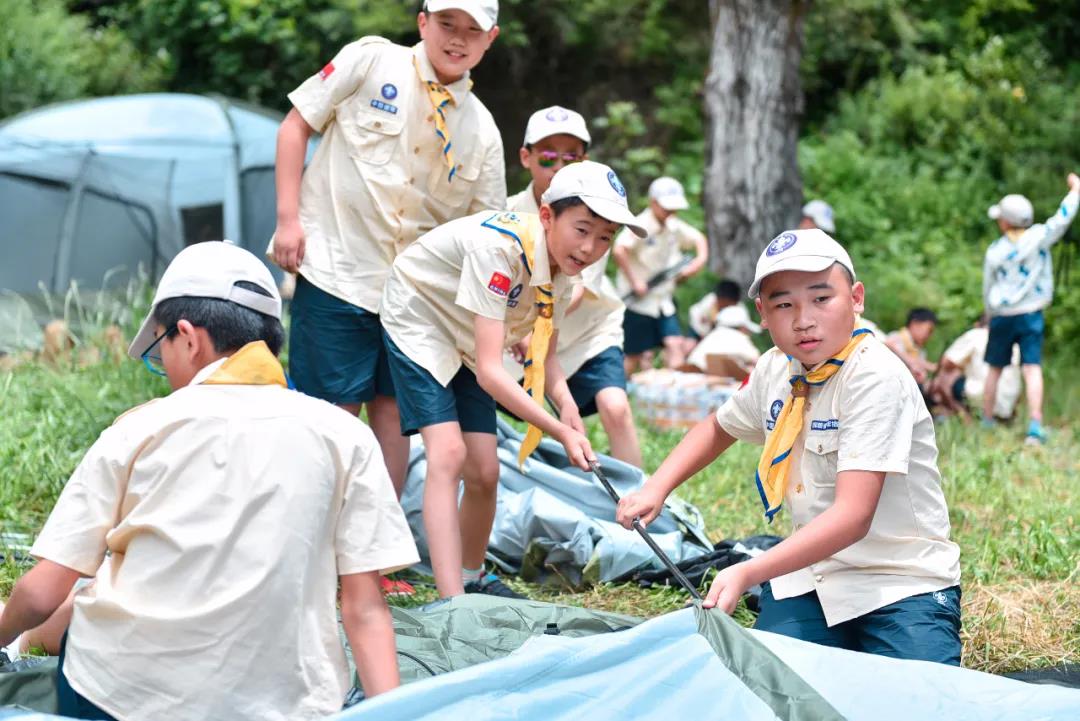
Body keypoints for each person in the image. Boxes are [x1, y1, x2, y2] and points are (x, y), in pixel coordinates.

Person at [0, 242, 419, 720]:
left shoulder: (140, 429)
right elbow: (365, 611)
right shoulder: (346, 435)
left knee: (97, 589)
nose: (164, 372)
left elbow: (41, 591)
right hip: (287, 705)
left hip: (121, 700)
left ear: (188, 337)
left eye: (160, 353)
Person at [617, 229, 962, 665]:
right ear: (762, 312)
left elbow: (853, 516)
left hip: (898, 581)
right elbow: (717, 427)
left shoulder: (875, 375)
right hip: (811, 577)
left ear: (856, 298)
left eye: (822, 299)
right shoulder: (775, 369)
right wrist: (656, 488)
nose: (803, 319)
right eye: (784, 304)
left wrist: (749, 570)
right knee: (771, 687)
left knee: (921, 701)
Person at [268, 2, 505, 522]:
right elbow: (294, 127)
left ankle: (373, 547)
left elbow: (487, 237)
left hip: (414, 300)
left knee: (395, 416)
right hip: (336, 269)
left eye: (472, 31)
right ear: (423, 23)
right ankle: (308, 537)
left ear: (491, 39)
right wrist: (289, 220)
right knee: (328, 413)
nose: (457, 39)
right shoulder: (370, 62)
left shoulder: (483, 131)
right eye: (447, 24)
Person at [380, 161, 647, 599]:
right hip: (421, 315)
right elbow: (490, 371)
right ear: (547, 216)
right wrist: (558, 430)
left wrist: (565, 406)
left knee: (485, 470)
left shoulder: (563, 273)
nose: (591, 248)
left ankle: (471, 575)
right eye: (582, 230)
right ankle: (453, 602)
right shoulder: (499, 252)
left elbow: (547, 354)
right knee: (446, 454)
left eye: (605, 238)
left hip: (470, 329)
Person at [506, 107, 642, 466]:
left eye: (572, 156)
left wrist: (526, 326)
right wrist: (516, 328)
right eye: (548, 155)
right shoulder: (508, 212)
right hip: (517, 340)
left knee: (615, 408)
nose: (559, 164)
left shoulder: (596, 214)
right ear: (526, 157)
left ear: (585, 160)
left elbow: (576, 291)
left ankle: (643, 495)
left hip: (585, 334)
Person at [982, 173, 1079, 444]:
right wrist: (1076, 190)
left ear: (1004, 222)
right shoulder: (1039, 238)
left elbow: (987, 286)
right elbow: (1063, 217)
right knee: (1031, 367)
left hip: (1002, 315)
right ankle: (1035, 424)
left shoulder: (995, 251)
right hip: (1031, 314)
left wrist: (989, 312)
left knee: (995, 368)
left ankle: (986, 420)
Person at [614, 176, 708, 374]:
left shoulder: (674, 225)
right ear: (654, 203)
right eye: (667, 208)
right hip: (638, 302)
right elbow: (619, 250)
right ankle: (618, 396)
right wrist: (635, 281)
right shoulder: (640, 224)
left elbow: (699, 239)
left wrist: (698, 264)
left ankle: (675, 395)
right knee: (632, 356)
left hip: (663, 300)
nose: (670, 212)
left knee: (675, 345)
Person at [931, 315, 1021, 422]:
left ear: (977, 325)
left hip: (982, 398)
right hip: (1008, 405)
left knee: (945, 375)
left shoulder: (976, 335)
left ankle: (964, 416)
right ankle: (1003, 417)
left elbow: (945, 363)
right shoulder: (1013, 342)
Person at [685, 303, 762, 376]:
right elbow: (759, 362)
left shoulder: (712, 335)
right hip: (707, 380)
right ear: (742, 327)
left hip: (690, 375)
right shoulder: (738, 337)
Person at [885, 308, 938, 395]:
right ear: (915, 324)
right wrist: (915, 364)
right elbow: (888, 345)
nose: (929, 336)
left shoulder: (920, 352)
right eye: (929, 330)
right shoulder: (896, 338)